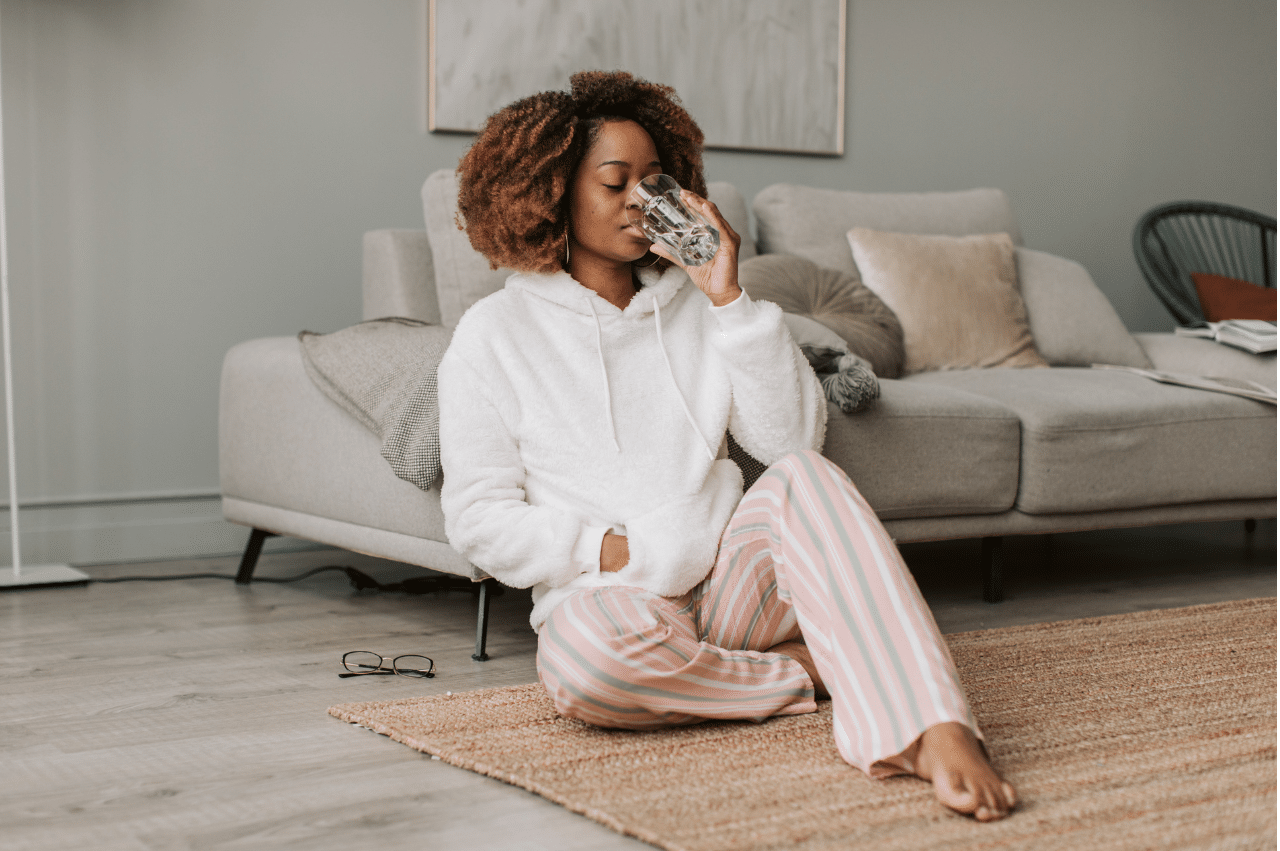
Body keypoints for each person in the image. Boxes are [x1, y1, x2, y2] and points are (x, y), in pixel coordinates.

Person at [437, 70, 1017, 822]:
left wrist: (727, 297)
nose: (642, 202)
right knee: (586, 670)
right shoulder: (493, 336)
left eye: (656, 182)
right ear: (549, 191)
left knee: (808, 476)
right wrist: (613, 550)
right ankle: (808, 672)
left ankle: (932, 725)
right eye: (615, 182)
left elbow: (790, 442)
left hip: (730, 586)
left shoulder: (701, 304)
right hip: (611, 600)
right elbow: (478, 519)